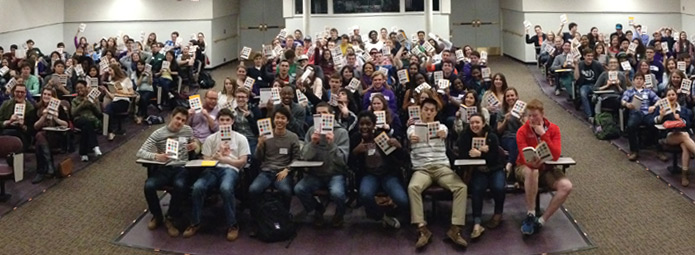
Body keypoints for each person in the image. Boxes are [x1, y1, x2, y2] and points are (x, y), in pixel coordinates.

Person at [407, 98, 468, 248]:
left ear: (435, 112)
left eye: (431, 110)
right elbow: (410, 135)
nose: (428, 112)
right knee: (412, 187)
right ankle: (422, 229)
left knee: (461, 187)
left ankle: (455, 229)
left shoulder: (441, 126)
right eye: (425, 109)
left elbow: (445, 132)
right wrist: (411, 138)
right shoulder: (412, 128)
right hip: (422, 169)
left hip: (441, 168)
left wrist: (443, 133)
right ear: (420, 110)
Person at [183, 109, 250, 241]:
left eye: (227, 120)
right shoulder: (211, 138)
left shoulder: (241, 138)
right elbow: (206, 160)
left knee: (225, 188)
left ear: (232, 121)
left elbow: (242, 162)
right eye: (222, 120)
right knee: (198, 187)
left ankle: (233, 225)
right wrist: (217, 154)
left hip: (231, 169)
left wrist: (225, 160)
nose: (225, 123)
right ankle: (195, 222)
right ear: (218, 122)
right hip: (212, 169)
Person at [137, 107, 196, 237]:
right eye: (178, 118)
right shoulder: (159, 133)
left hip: (182, 167)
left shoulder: (187, 130)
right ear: (171, 117)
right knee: (149, 185)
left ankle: (171, 217)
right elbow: (140, 152)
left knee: (180, 186)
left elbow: (194, 143)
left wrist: (194, 146)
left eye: (183, 120)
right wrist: (156, 156)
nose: (180, 122)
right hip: (165, 167)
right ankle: (157, 216)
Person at [516, 99, 571, 236]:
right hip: (524, 168)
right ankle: (531, 213)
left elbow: (556, 155)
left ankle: (541, 220)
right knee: (532, 171)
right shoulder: (522, 131)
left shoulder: (553, 129)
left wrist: (543, 134)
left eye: (535, 115)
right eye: (529, 116)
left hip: (547, 168)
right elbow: (524, 157)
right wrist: (533, 163)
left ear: (542, 114)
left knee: (566, 186)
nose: (532, 119)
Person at [349, 111, 408, 228]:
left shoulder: (382, 136)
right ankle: (382, 217)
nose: (364, 127)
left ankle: (391, 212)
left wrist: (399, 146)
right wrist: (356, 152)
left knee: (403, 200)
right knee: (365, 195)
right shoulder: (355, 138)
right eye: (361, 124)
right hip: (369, 174)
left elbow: (403, 158)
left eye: (368, 124)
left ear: (374, 124)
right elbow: (349, 163)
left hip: (388, 174)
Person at [295, 103, 350, 227]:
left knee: (337, 193)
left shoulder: (341, 132)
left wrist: (332, 145)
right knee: (299, 189)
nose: (321, 116)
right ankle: (317, 209)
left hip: (335, 173)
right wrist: (313, 144)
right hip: (315, 174)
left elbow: (343, 161)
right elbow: (305, 156)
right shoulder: (311, 130)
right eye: (318, 114)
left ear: (331, 115)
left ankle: (339, 214)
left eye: (324, 113)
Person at [457, 113, 505, 239]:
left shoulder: (492, 136)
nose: (474, 125)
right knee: (478, 189)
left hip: (495, 169)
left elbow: (495, 158)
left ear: (483, 123)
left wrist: (483, 154)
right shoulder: (465, 136)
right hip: (478, 170)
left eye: (477, 122)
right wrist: (471, 154)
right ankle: (477, 222)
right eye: (472, 123)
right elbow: (461, 156)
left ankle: (498, 214)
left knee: (498, 187)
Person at [248, 107, 300, 222]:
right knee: (253, 190)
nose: (279, 120)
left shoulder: (293, 137)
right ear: (273, 119)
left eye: (283, 118)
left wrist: (287, 170)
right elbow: (258, 157)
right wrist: (259, 145)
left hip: (283, 172)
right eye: (277, 118)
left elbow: (297, 158)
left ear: (287, 121)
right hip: (266, 171)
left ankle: (284, 218)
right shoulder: (266, 136)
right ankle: (256, 220)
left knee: (286, 191)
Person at [31, 88, 69, 184]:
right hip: (41, 136)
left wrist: (55, 118)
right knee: (39, 136)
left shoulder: (59, 108)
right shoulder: (37, 108)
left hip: (56, 136)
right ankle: (49, 166)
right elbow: (35, 126)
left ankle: (41, 170)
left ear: (53, 97)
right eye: (45, 94)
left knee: (39, 141)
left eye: (49, 94)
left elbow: (66, 124)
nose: (46, 96)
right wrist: (43, 117)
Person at [622, 72, 661, 161]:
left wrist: (654, 106)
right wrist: (627, 104)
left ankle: (659, 150)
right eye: (637, 79)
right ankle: (634, 151)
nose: (639, 81)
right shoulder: (629, 92)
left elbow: (659, 100)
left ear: (644, 81)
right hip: (635, 113)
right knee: (631, 125)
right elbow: (623, 101)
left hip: (647, 113)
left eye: (641, 79)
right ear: (633, 81)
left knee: (655, 124)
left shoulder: (648, 91)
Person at [101, 64, 135, 141]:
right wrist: (106, 90)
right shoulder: (112, 82)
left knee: (109, 108)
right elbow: (113, 96)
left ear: (115, 70)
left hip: (124, 100)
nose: (109, 72)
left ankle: (109, 131)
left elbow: (132, 93)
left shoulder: (126, 80)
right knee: (108, 110)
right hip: (115, 100)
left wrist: (122, 92)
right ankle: (110, 131)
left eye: (110, 70)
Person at [71, 80, 102, 162]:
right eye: (77, 88)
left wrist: (93, 104)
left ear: (86, 88)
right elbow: (73, 113)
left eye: (81, 88)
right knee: (86, 122)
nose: (79, 90)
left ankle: (83, 153)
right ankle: (95, 146)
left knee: (86, 127)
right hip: (79, 119)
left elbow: (99, 113)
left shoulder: (93, 98)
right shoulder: (74, 100)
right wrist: (82, 104)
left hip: (92, 120)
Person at [0, 83, 35, 150]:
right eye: (17, 92)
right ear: (14, 92)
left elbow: (32, 130)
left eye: (22, 92)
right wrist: (8, 122)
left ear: (25, 94)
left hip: (22, 134)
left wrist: (23, 126)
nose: (19, 94)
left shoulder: (30, 108)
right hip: (6, 130)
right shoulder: (6, 104)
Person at [574, 49, 605, 121]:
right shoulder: (580, 64)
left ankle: (598, 115)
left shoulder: (597, 64)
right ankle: (589, 115)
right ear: (584, 56)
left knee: (597, 96)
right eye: (588, 56)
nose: (590, 57)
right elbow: (576, 77)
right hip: (585, 85)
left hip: (596, 85)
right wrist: (576, 65)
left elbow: (603, 75)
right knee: (583, 93)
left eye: (591, 56)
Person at [233, 87, 261, 155]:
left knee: (253, 156)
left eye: (243, 97)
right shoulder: (233, 111)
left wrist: (249, 118)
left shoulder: (254, 110)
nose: (240, 99)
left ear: (247, 99)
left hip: (251, 139)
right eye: (238, 97)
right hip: (238, 139)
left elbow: (258, 130)